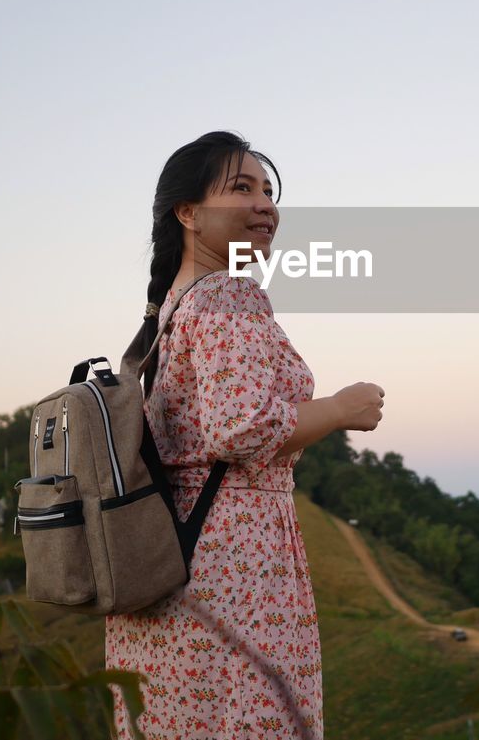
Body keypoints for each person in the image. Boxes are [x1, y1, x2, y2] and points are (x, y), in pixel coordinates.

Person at [106, 131, 384, 740]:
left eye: (268, 190)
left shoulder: (168, 308)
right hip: (236, 558)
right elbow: (244, 429)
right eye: (241, 188)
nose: (265, 205)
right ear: (188, 212)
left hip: (169, 557)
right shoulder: (229, 294)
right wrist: (340, 407)